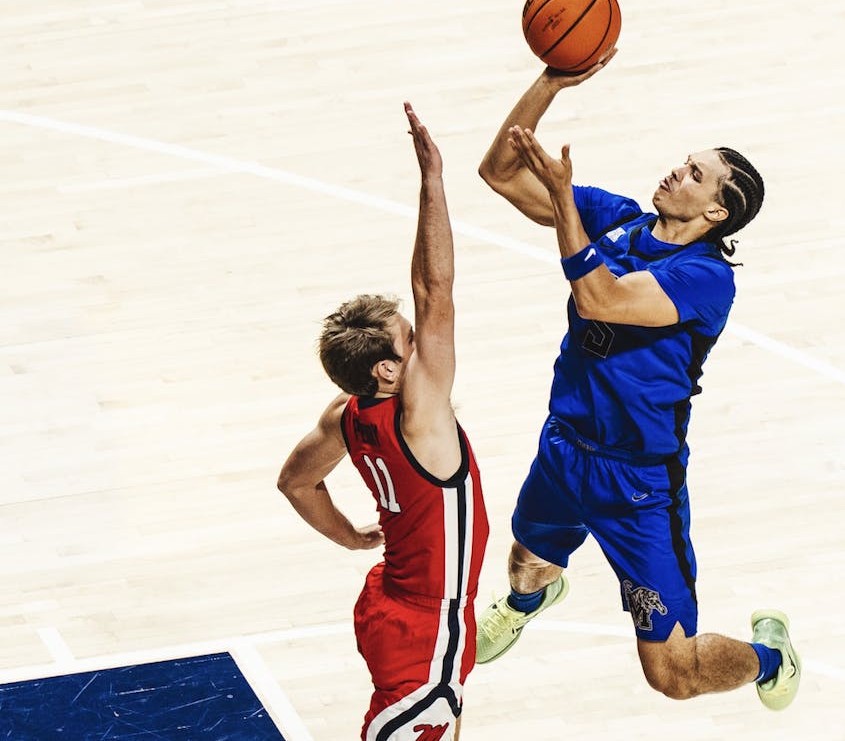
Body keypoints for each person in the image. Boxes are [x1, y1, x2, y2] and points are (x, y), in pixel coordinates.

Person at [473, 53, 801, 711]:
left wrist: (565, 200)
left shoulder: (708, 279)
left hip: (638, 482)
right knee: (527, 560)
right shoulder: (618, 218)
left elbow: (602, 298)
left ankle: (771, 657)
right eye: (684, 161)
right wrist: (551, 82)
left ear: (715, 212)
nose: (676, 171)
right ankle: (529, 599)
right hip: (564, 447)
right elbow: (498, 172)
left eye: (694, 174)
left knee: (673, 674)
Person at [277, 103, 489, 741]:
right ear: (388, 374)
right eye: (409, 343)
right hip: (429, 622)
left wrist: (347, 538)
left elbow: (295, 482)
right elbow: (435, 290)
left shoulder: (346, 415)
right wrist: (433, 181)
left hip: (386, 599)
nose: (423, 344)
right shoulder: (420, 413)